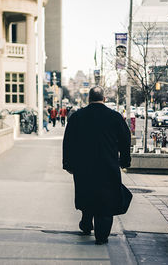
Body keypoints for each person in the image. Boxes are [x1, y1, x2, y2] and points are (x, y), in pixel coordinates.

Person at [62, 87, 131, 245]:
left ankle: (86, 223)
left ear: (88, 99)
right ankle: (102, 236)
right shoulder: (115, 117)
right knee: (106, 200)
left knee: (87, 194)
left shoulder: (77, 116)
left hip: (83, 167)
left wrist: (68, 163)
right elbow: (125, 140)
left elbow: (68, 142)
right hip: (108, 167)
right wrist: (125, 161)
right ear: (104, 99)